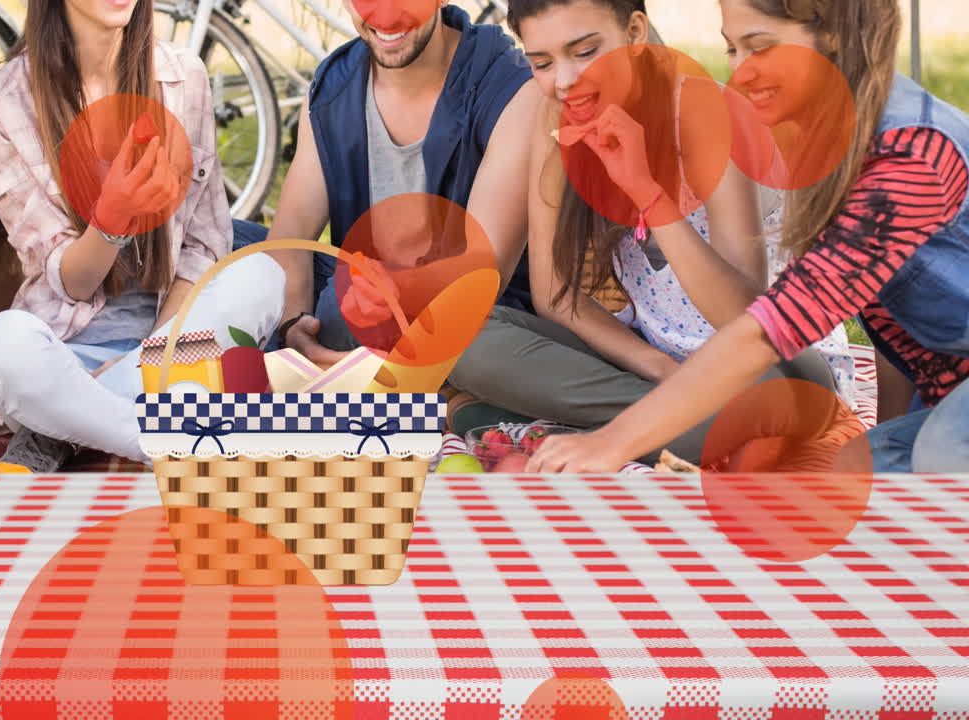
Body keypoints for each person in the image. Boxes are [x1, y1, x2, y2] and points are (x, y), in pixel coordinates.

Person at [527, 0, 969, 473]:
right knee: (840, 483)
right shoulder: (837, 135)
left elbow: (776, 325)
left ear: (835, 34)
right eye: (732, 49)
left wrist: (611, 444)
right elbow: (887, 320)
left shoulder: (912, 159)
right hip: (946, 400)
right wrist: (882, 436)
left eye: (759, 47)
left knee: (938, 455)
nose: (739, 75)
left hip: (947, 421)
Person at [448, 0, 855, 465]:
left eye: (585, 52)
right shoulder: (555, 118)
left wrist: (646, 192)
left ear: (636, 32)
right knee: (463, 335)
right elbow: (555, 295)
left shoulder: (709, 114)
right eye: (542, 62)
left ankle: (556, 426)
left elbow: (746, 322)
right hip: (654, 359)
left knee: (775, 395)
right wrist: (660, 370)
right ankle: (673, 430)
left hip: (772, 361)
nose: (564, 81)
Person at [0, 0, 285, 472]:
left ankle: (70, 424)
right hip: (67, 349)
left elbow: (203, 249)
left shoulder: (185, 78)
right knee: (2, 345)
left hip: (175, 346)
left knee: (262, 274)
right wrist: (111, 222)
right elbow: (70, 282)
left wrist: (157, 356)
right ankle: (161, 435)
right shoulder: (6, 100)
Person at [244, 0, 539, 364]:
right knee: (228, 245)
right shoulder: (334, 88)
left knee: (340, 303)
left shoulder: (510, 87)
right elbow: (290, 236)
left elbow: (486, 267)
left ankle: (315, 368)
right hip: (363, 290)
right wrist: (295, 323)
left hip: (470, 314)